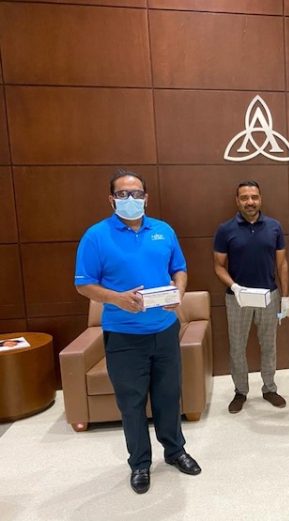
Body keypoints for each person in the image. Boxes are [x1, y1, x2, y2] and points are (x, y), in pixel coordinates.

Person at [74, 169, 201, 495]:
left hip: (164, 331)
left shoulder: (163, 230)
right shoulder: (96, 236)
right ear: (111, 199)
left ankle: (175, 452)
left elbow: (180, 268)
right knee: (131, 403)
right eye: (123, 194)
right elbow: (83, 284)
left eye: (136, 194)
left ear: (146, 197)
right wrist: (118, 299)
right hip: (124, 336)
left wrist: (179, 292)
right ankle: (140, 464)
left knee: (168, 397)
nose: (130, 200)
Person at [213, 180, 289, 414]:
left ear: (260, 199)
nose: (250, 202)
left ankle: (269, 388)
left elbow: (282, 263)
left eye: (254, 197)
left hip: (269, 296)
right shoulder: (225, 230)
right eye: (245, 197)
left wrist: (285, 297)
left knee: (269, 345)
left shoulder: (274, 227)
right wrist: (234, 286)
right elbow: (218, 266)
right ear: (237, 201)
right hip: (238, 298)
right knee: (237, 346)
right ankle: (241, 391)